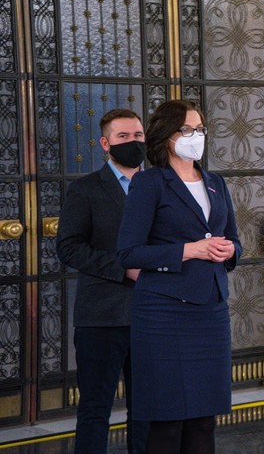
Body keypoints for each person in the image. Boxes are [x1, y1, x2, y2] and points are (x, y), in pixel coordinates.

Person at [116, 100, 242, 454]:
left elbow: (234, 240)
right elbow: (128, 253)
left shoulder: (215, 182)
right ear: (167, 136)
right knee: (167, 421)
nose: (195, 136)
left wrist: (230, 251)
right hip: (164, 315)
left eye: (200, 129)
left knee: (204, 421)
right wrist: (189, 250)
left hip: (210, 313)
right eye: (187, 129)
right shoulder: (149, 183)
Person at [56, 108, 150, 454]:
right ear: (105, 143)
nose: (132, 142)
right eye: (123, 136)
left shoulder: (160, 185)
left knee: (148, 409)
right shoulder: (85, 190)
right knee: (95, 409)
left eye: (138, 135)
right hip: (102, 317)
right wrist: (124, 268)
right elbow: (69, 247)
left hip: (152, 316)